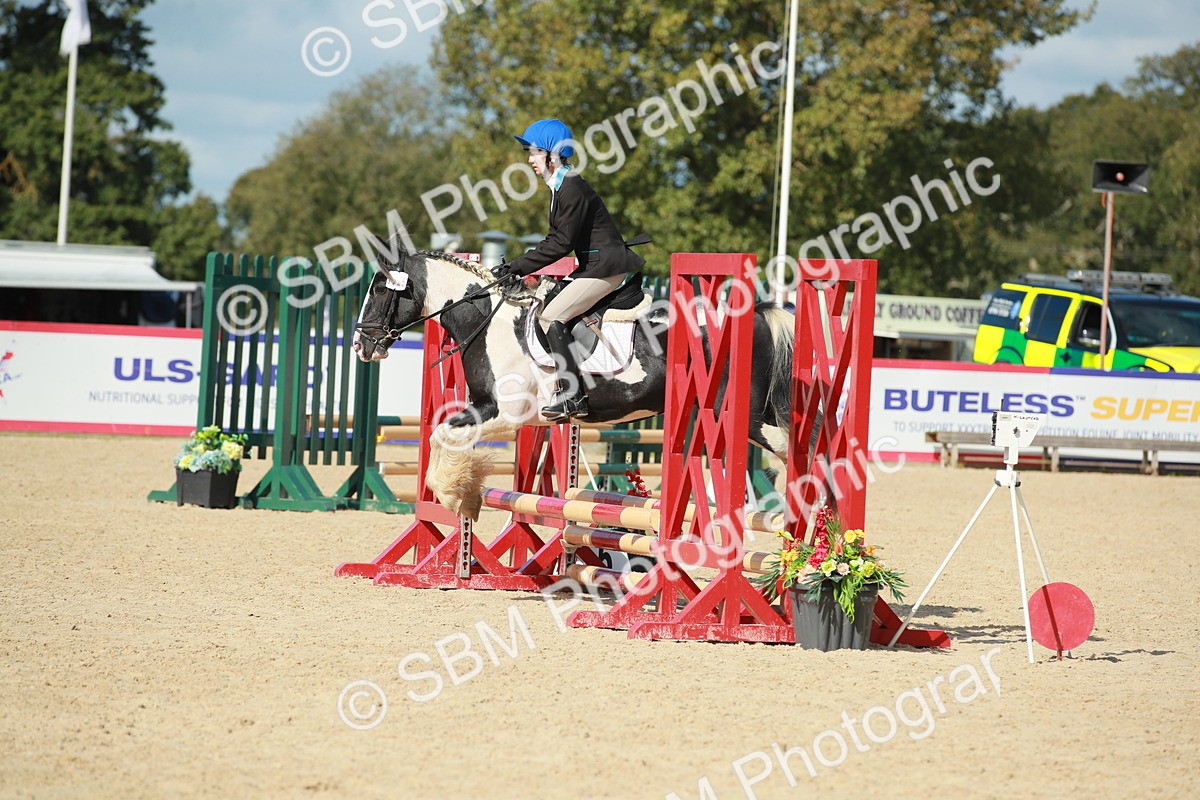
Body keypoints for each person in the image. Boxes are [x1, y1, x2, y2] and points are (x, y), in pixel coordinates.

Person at [492, 118, 645, 421]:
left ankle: (572, 397)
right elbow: (555, 239)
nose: (530, 159)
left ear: (552, 154)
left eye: (534, 152)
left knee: (551, 317)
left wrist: (517, 266)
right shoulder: (560, 186)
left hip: (606, 267)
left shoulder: (572, 187)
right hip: (595, 265)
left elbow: (562, 243)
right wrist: (517, 265)